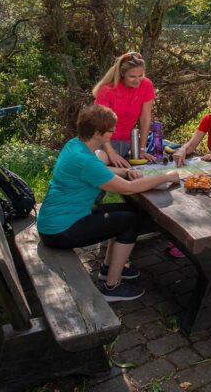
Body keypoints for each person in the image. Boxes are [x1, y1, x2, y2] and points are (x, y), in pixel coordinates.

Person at [37, 104, 179, 301]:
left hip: (61, 218)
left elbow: (99, 170)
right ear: (97, 133)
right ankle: (111, 287)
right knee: (129, 221)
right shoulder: (84, 160)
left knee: (130, 211)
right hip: (60, 231)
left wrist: (126, 171)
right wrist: (166, 176)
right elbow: (128, 189)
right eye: (111, 130)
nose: (114, 133)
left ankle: (108, 268)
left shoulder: (75, 144)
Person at [93, 51, 156, 168]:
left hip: (124, 142)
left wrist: (142, 149)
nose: (137, 80)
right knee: (96, 164)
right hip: (101, 141)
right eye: (132, 76)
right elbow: (99, 125)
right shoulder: (107, 90)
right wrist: (111, 153)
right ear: (122, 74)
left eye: (140, 75)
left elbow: (145, 119)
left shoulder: (146, 85)